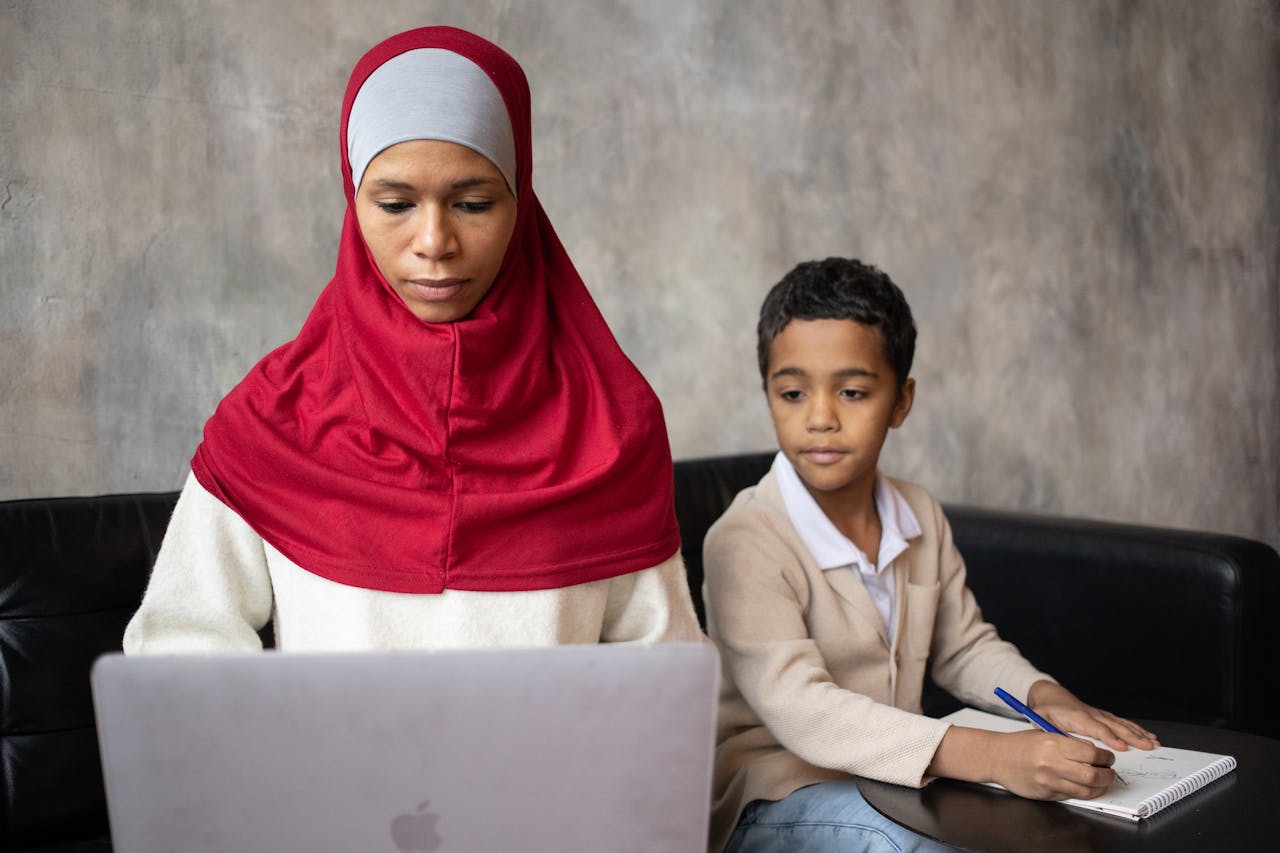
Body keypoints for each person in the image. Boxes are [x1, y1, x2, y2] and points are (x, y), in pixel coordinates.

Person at [125, 26, 702, 653]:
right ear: (353, 202)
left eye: (475, 203)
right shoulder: (271, 418)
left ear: (522, 199)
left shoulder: (613, 425)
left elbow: (663, 678)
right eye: (395, 204)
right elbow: (178, 651)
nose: (434, 242)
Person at [702, 258, 1159, 852]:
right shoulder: (746, 538)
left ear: (900, 402)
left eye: (853, 392)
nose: (819, 417)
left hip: (896, 779)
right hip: (776, 795)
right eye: (792, 392)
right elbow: (801, 709)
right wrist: (995, 755)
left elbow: (963, 646)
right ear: (768, 395)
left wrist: (1044, 698)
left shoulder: (917, 514)